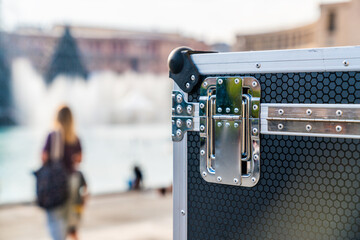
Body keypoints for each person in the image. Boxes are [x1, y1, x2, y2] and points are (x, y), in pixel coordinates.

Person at [42, 105, 87, 240]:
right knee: (72, 225)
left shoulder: (52, 136)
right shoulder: (75, 138)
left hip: (56, 185)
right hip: (72, 182)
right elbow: (79, 159)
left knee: (56, 222)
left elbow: (43, 157)